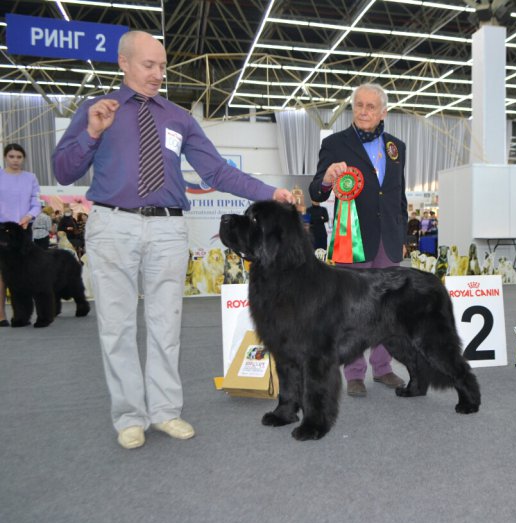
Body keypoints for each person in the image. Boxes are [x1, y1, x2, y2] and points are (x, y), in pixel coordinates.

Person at [52, 31, 293, 450]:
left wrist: (269, 193)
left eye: (162, 67)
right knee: (117, 326)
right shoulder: (97, 110)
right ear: (123, 63)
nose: (158, 74)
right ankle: (129, 416)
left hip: (167, 228)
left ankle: (165, 412)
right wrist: (91, 134)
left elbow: (217, 171)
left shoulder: (178, 117)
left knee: (166, 325)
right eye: (149, 65)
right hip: (112, 225)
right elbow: (63, 170)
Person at [308, 82, 407, 397]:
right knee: (353, 308)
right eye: (359, 105)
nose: (364, 111)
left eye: (370, 106)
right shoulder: (336, 143)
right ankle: (353, 373)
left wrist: (402, 234)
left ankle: (383, 368)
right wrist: (326, 179)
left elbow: (398, 196)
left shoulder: (396, 147)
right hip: (353, 239)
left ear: (383, 112)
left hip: (388, 241)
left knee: (388, 308)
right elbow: (316, 191)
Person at [0, 143, 42, 327]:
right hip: (2, 231)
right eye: (11, 156)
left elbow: (36, 202)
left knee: (24, 274)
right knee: (2, 274)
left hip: (24, 230)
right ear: (5, 157)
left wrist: (28, 216)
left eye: (19, 157)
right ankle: (1, 315)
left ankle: (22, 314)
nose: (15, 160)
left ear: (23, 158)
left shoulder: (30, 177)